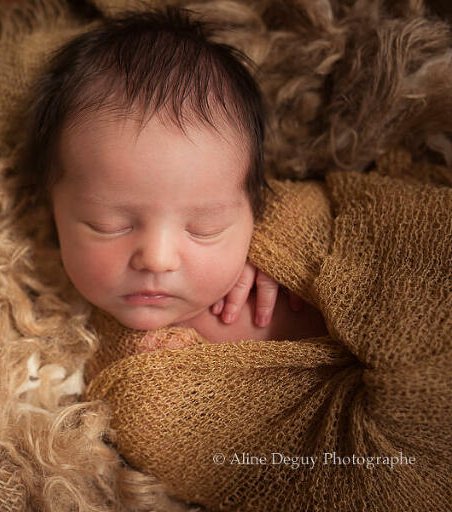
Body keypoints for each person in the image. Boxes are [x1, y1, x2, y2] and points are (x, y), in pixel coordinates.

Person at [19, 6, 328, 344]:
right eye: (108, 225)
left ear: (253, 216)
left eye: (204, 229)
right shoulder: (35, 321)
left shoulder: (277, 300)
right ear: (52, 208)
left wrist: (285, 257)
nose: (157, 260)